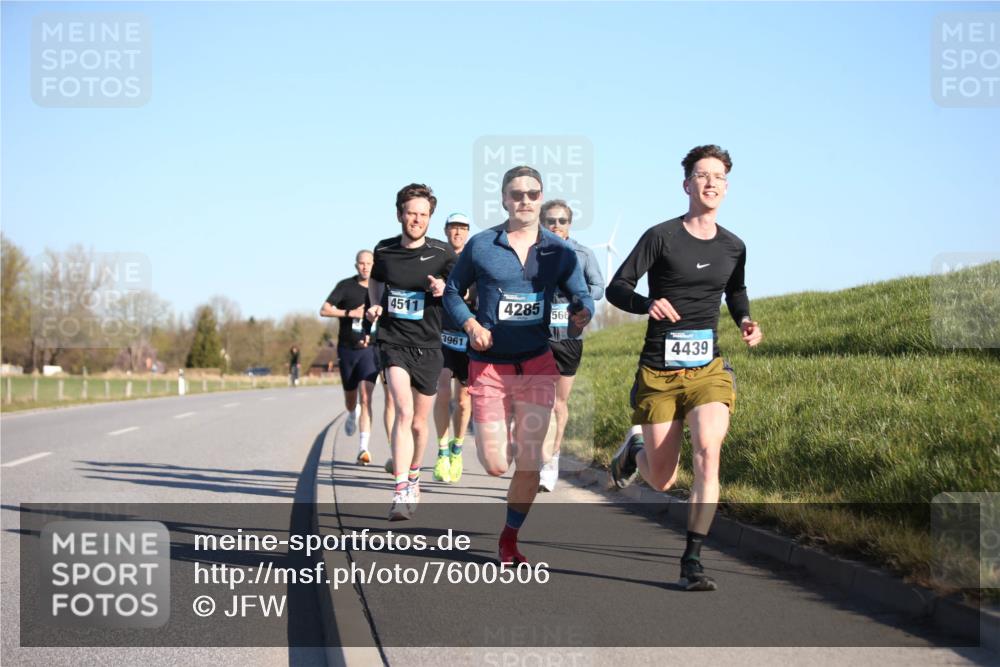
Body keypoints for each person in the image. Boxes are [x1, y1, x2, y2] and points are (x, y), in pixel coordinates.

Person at [606, 144, 763, 591]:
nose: (711, 182)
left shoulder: (734, 246)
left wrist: (745, 320)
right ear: (687, 184)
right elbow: (617, 287)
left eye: (719, 176)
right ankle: (633, 451)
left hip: (707, 370)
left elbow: (736, 291)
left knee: (709, 452)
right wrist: (647, 303)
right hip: (659, 371)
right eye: (702, 174)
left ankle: (691, 560)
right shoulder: (661, 236)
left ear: (727, 187)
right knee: (661, 478)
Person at [444, 165, 594, 564]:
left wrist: (583, 312)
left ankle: (509, 538)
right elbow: (453, 293)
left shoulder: (558, 251)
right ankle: (504, 436)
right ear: (504, 200)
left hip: (537, 364)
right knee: (495, 465)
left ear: (540, 198)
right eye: (517, 194)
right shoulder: (481, 245)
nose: (524, 200)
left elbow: (581, 295)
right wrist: (471, 323)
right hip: (490, 367)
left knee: (531, 461)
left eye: (532, 194)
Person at [367, 183, 456, 521]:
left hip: (431, 344)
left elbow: (461, 289)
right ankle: (401, 488)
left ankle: (415, 473)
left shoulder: (444, 253)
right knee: (403, 411)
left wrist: (444, 288)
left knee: (420, 423)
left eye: (423, 215)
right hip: (393, 341)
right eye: (411, 213)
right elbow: (376, 280)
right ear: (399, 215)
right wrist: (375, 305)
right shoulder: (384, 250)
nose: (416, 220)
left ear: (429, 218)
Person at [539, 200, 604, 492]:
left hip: (569, 336)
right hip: (537, 336)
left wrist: (578, 301)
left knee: (557, 403)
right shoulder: (531, 252)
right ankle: (536, 454)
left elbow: (598, 287)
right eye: (550, 221)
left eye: (561, 221)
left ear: (569, 224)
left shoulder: (584, 254)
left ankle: (551, 459)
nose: (556, 226)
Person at [321, 250, 379, 464]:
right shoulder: (345, 286)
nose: (365, 267)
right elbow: (324, 310)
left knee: (366, 397)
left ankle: (363, 449)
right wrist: (349, 313)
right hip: (347, 349)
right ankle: (351, 413)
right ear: (356, 266)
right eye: (361, 264)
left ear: (374, 265)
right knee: (351, 398)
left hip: (370, 350)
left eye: (369, 263)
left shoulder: (379, 287)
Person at [433, 212, 475, 485]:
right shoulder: (436, 257)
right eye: (453, 228)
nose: (457, 233)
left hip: (467, 335)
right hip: (441, 333)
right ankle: (441, 451)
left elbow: (475, 292)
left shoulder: (474, 258)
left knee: (462, 400)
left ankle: (457, 449)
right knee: (443, 387)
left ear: (467, 232)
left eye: (462, 228)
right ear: (446, 231)